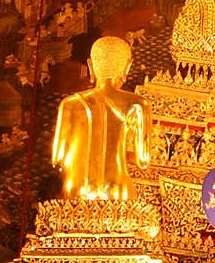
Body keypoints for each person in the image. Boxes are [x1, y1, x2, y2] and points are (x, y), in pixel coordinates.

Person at [52, 35, 150, 201]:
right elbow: (143, 161)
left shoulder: (69, 104)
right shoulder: (138, 104)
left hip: (75, 190)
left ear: (91, 65)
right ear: (127, 67)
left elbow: (58, 159)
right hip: (117, 190)